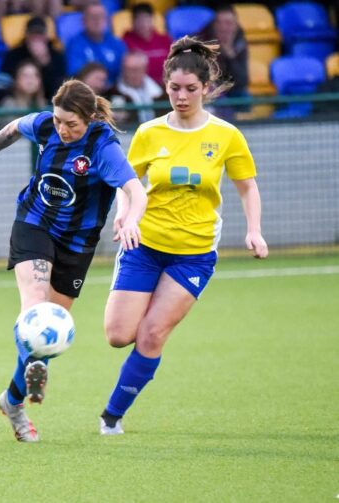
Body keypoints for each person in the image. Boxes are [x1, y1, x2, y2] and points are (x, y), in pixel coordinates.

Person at [99, 36, 269, 436]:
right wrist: (124, 219)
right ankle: (115, 409)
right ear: (165, 85)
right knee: (118, 335)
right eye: (174, 88)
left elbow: (247, 186)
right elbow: (128, 183)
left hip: (193, 254)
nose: (181, 96)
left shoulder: (227, 135)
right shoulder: (149, 133)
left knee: (153, 333)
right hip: (144, 246)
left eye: (191, 89)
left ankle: (112, 416)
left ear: (206, 89)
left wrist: (254, 231)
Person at [0, 79, 148, 442]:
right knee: (38, 311)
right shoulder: (47, 125)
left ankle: (13, 401)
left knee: (50, 336)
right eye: (59, 120)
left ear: (91, 117)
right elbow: (12, 128)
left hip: (77, 245)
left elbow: (135, 189)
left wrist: (131, 219)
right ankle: (30, 373)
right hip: (34, 224)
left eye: (72, 124)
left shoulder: (103, 146)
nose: (63, 130)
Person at [0, 16, 66, 100]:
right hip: (18, 101)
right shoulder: (13, 55)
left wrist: (45, 61)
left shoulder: (56, 56)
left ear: (46, 36)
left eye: (40, 34)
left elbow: (61, 86)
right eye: (33, 34)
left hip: (48, 102)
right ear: (26, 35)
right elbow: (1, 84)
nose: (36, 38)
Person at [65, 1, 126, 86]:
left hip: (116, 91)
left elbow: (125, 72)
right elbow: (76, 75)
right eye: (93, 17)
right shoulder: (74, 45)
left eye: (102, 17)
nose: (98, 21)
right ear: (84, 21)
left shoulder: (117, 43)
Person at [197, 3, 248, 99]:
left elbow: (242, 81)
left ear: (236, 26)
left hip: (232, 89)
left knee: (243, 95)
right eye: (219, 23)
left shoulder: (239, 43)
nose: (223, 28)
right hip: (208, 90)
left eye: (228, 23)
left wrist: (230, 56)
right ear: (213, 25)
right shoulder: (201, 42)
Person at [107, 51, 164, 126]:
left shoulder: (160, 92)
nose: (132, 74)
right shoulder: (112, 92)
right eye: (129, 70)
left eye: (137, 70)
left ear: (145, 69)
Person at [121, 2, 171, 86]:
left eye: (146, 19)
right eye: (139, 20)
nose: (143, 24)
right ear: (132, 22)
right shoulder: (125, 42)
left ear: (152, 20)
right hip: (139, 87)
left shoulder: (165, 40)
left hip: (164, 85)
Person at [0, 59, 47, 129]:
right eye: (25, 76)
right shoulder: (8, 105)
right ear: (16, 80)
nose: (31, 79)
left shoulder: (44, 106)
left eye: (35, 75)